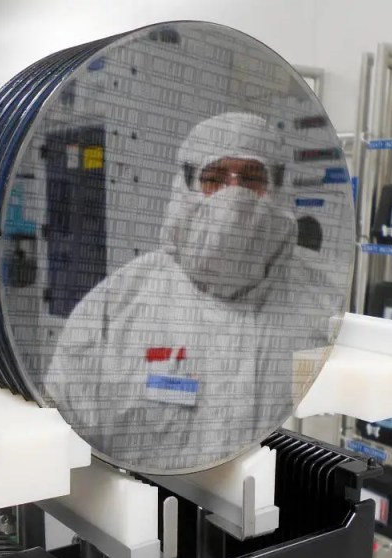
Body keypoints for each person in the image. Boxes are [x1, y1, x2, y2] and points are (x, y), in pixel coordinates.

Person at [44, 111, 342, 473]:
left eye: (251, 178)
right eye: (214, 179)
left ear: (276, 188)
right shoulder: (116, 306)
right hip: (149, 520)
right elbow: (63, 442)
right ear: (185, 187)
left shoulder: (324, 305)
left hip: (281, 518)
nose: (234, 195)